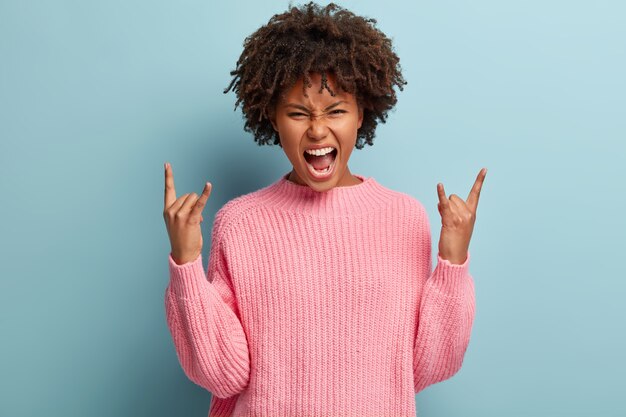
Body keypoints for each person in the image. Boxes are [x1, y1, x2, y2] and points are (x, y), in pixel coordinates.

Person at [162, 2, 487, 416]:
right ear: (273, 119)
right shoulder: (240, 223)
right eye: (298, 113)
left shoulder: (404, 218)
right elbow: (224, 376)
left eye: (336, 111)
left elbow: (422, 368)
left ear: (361, 114)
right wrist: (186, 263)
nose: (317, 129)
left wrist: (453, 261)